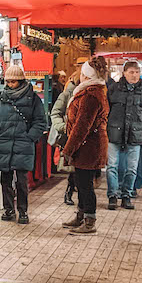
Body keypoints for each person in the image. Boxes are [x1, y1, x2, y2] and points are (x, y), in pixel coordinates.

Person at [0, 65, 48, 224]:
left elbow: (40, 122)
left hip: (22, 144)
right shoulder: (3, 97)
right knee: (5, 179)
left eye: (13, 81)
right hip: (5, 142)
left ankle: (23, 211)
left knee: (21, 181)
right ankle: (8, 209)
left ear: (21, 81)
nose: (9, 84)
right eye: (7, 81)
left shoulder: (32, 98)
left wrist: (30, 137)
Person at [62, 57, 110, 235]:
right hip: (86, 146)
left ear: (87, 76)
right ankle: (81, 215)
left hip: (89, 147)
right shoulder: (90, 91)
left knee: (85, 185)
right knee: (80, 182)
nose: (80, 76)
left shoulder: (91, 95)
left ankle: (90, 221)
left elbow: (82, 126)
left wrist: (68, 149)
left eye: (82, 73)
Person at [105, 61, 142, 211]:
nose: (134, 75)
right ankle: (113, 196)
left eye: (137, 72)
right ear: (124, 73)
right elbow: (107, 109)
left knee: (132, 167)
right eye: (131, 72)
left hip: (136, 133)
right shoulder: (113, 89)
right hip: (114, 132)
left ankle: (126, 195)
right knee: (112, 166)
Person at [49, 67, 79, 205]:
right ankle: (69, 193)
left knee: (79, 168)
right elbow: (55, 113)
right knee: (73, 168)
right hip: (70, 136)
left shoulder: (90, 95)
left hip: (84, 137)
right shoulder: (67, 94)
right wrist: (63, 127)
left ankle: (74, 193)